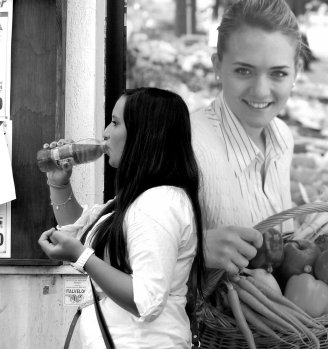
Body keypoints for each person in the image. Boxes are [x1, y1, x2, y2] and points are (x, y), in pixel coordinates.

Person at [38, 87, 206, 349]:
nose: (105, 132)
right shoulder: (141, 199)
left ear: (145, 134)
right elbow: (85, 232)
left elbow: (145, 300)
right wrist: (59, 185)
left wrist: (82, 258)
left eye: (116, 122)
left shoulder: (158, 204)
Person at [191, 0, 302, 279]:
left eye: (278, 73)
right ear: (217, 65)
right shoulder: (188, 143)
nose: (261, 91)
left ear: (296, 72)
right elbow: (121, 244)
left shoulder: (283, 138)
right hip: (204, 321)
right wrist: (195, 248)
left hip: (273, 318)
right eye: (244, 70)